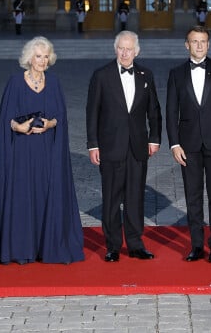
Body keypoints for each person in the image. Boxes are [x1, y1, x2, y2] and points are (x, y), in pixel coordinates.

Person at [0, 36, 84, 267]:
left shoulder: (54, 82)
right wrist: (19, 126)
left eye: (46, 56)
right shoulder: (15, 82)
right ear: (29, 58)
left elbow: (61, 117)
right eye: (38, 56)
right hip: (21, 151)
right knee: (23, 196)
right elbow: (7, 119)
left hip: (46, 151)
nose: (42, 61)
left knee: (44, 195)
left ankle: (46, 247)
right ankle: (21, 248)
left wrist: (49, 124)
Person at [86, 30, 162, 262]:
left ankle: (136, 244)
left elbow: (154, 111)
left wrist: (154, 138)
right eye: (121, 48)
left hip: (138, 147)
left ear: (136, 51)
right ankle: (113, 246)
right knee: (110, 198)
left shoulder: (145, 74)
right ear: (115, 49)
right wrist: (93, 145)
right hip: (110, 147)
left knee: (135, 197)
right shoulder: (101, 76)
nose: (125, 52)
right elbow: (92, 113)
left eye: (129, 48)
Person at [166, 25, 211, 264]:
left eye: (203, 41)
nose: (198, 45)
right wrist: (174, 144)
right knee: (192, 196)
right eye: (194, 41)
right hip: (188, 145)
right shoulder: (176, 74)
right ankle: (196, 245)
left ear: (208, 44)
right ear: (187, 45)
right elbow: (171, 111)